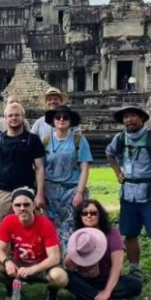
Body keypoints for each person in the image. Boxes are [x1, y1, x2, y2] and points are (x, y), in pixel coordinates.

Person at [105, 104, 151, 297]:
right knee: (129, 235)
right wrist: (117, 171)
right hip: (128, 194)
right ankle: (135, 271)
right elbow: (109, 153)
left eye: (133, 116)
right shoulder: (120, 138)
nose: (129, 120)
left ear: (142, 118)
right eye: (126, 117)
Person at [0, 187, 68, 300]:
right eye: (18, 205)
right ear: (13, 207)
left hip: (42, 267)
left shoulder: (45, 223)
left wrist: (33, 269)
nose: (22, 208)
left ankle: (52, 291)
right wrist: (7, 262)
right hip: (19, 266)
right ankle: (12, 286)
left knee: (60, 277)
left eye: (26, 204)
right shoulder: (8, 221)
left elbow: (54, 257)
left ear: (33, 205)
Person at [64, 200, 142, 300]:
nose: (89, 216)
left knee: (135, 283)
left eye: (93, 213)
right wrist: (77, 249)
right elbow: (69, 265)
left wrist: (107, 291)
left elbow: (117, 265)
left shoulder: (112, 233)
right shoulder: (78, 235)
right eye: (84, 213)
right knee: (65, 276)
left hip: (108, 279)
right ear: (80, 217)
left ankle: (88, 296)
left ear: (100, 215)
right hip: (87, 279)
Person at [0, 102, 46, 227]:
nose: (13, 118)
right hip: (3, 191)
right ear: (5, 118)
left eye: (17, 115)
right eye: (10, 115)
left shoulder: (33, 139)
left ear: (22, 117)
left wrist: (40, 193)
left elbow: (39, 168)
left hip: (28, 189)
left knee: (30, 227)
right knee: (3, 229)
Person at [42, 105, 92, 250]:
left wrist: (80, 192)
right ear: (53, 121)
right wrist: (40, 192)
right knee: (52, 226)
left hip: (72, 189)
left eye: (65, 117)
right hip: (50, 190)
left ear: (71, 121)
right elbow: (40, 168)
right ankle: (54, 260)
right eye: (58, 117)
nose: (61, 120)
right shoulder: (45, 141)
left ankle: (72, 259)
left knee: (72, 226)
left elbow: (84, 168)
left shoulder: (79, 140)